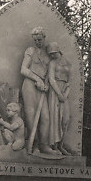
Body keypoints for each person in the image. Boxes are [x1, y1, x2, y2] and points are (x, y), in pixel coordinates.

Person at [20, 26, 56, 154]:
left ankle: (44, 145)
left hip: (41, 89)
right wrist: (37, 79)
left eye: (39, 39)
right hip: (30, 84)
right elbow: (23, 69)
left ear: (44, 38)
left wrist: (45, 85)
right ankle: (33, 145)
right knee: (31, 116)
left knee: (45, 118)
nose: (37, 42)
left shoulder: (49, 55)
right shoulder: (30, 50)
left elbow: (50, 75)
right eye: (35, 40)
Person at [46, 42, 72, 155]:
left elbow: (70, 81)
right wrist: (59, 94)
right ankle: (54, 145)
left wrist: (65, 95)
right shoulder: (52, 63)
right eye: (50, 54)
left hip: (64, 91)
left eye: (53, 53)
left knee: (65, 119)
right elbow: (51, 79)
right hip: (54, 91)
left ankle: (61, 145)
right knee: (54, 118)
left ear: (58, 51)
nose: (52, 56)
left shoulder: (68, 63)